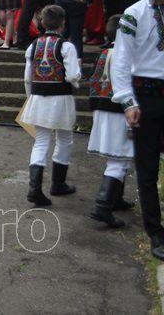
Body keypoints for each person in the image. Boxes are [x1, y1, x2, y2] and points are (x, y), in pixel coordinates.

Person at [110, 0, 164, 259]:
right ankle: (155, 232)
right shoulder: (134, 14)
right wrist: (127, 101)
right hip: (146, 95)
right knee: (147, 167)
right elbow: (120, 61)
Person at [20, 5, 81, 206]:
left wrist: (30, 98)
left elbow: (27, 77)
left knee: (41, 141)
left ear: (42, 23)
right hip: (61, 98)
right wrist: (76, 83)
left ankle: (34, 189)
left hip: (38, 98)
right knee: (65, 139)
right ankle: (58, 183)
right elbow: (73, 75)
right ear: (63, 23)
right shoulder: (67, 46)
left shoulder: (33, 46)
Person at [86, 15, 134, 229]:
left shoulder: (103, 53)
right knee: (120, 159)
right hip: (119, 111)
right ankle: (102, 205)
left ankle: (116, 198)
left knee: (118, 156)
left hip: (101, 108)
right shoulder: (129, 55)